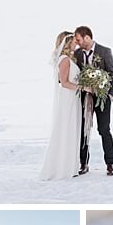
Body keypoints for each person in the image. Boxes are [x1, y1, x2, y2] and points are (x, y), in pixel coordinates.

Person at [72, 26, 113, 177]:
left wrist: (110, 95)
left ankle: (110, 164)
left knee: (104, 130)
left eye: (78, 39)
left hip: (103, 98)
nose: (77, 43)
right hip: (84, 98)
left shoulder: (105, 51)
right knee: (83, 131)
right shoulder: (77, 54)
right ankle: (83, 163)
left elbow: (112, 73)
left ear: (87, 37)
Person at [40, 30, 84, 180]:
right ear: (67, 43)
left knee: (72, 129)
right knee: (67, 128)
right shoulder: (64, 59)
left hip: (73, 98)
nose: (76, 44)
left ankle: (70, 165)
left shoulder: (69, 59)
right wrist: (83, 87)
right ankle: (62, 167)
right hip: (68, 99)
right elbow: (64, 83)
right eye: (73, 41)